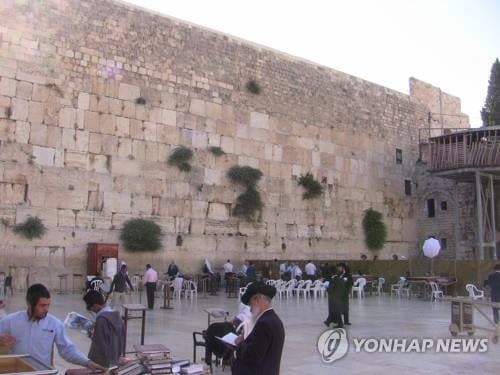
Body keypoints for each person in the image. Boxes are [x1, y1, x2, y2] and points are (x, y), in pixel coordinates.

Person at [0, 284, 103, 370]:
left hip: (42, 372)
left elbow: (67, 349)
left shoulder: (54, 324)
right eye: (42, 305)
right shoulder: (10, 321)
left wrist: (87, 362)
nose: (46, 309)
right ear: (30, 304)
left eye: (48, 305)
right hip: (18, 371)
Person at [232, 282, 285, 375]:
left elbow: (253, 357)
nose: (250, 309)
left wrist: (240, 343)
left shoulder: (264, 323)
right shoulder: (273, 319)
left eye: (250, 304)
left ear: (257, 300)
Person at [83, 290, 125, 367]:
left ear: (95, 305)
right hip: (115, 357)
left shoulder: (101, 320)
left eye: (89, 307)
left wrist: (92, 362)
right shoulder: (118, 316)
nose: (89, 310)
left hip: (102, 362)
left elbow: (99, 344)